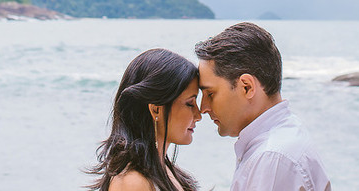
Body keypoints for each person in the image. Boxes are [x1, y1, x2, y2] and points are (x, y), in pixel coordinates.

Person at [194, 23, 331, 191]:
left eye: (210, 94)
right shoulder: (282, 140)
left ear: (247, 87)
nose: (203, 108)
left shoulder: (272, 158)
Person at [88, 48, 203, 191]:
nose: (198, 115)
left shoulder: (164, 170)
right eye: (190, 103)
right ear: (156, 109)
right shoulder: (132, 182)